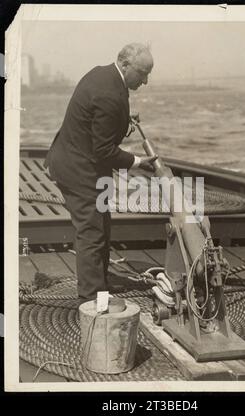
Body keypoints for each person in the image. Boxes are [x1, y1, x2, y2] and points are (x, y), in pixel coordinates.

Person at [44, 43, 156, 303]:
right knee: (92, 232)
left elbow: (99, 114)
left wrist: (125, 117)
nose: (146, 81)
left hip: (82, 162)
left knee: (102, 224)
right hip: (79, 169)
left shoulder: (104, 74)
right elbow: (104, 149)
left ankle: (100, 283)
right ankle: (92, 300)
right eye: (143, 73)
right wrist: (139, 161)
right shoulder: (109, 94)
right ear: (125, 65)